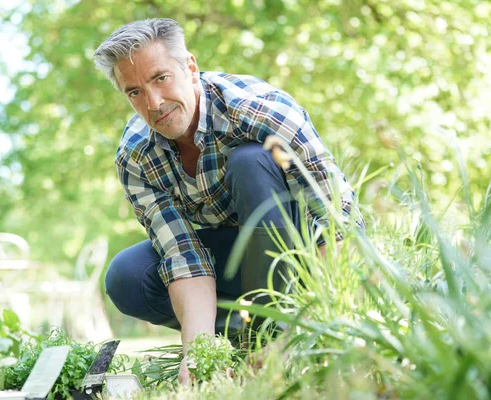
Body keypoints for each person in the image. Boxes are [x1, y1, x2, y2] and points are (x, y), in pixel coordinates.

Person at [94, 18, 364, 383]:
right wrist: (198, 354)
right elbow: (182, 255)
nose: (154, 103)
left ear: (190, 67)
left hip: (300, 255)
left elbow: (338, 219)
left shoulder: (259, 111)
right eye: (135, 92)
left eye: (160, 78)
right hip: (233, 260)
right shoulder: (136, 156)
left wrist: (296, 331)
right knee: (127, 275)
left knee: (250, 161)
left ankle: (281, 333)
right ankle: (239, 340)